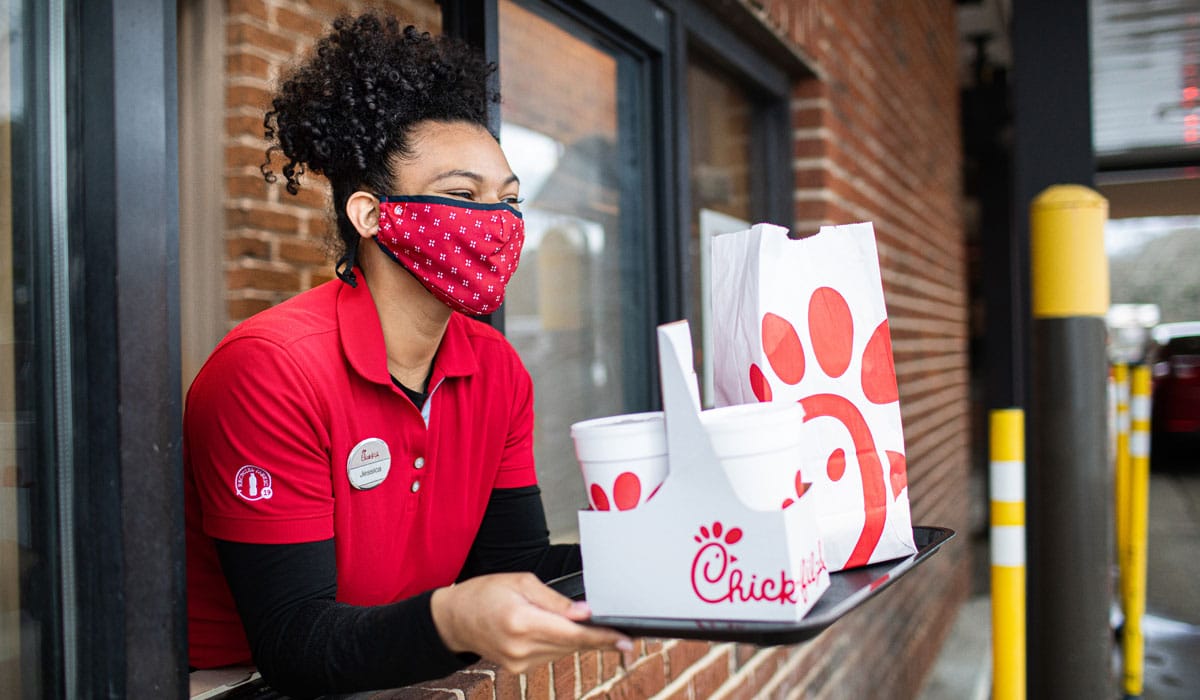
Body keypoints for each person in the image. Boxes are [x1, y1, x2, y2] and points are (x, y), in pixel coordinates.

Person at [184, 12, 631, 697]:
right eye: (462, 195)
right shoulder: (270, 368)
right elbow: (295, 642)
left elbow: (515, 563)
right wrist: (453, 618)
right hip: (230, 682)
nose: (498, 224)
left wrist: (670, 549)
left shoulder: (497, 369)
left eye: (508, 201)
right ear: (369, 214)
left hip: (388, 662)